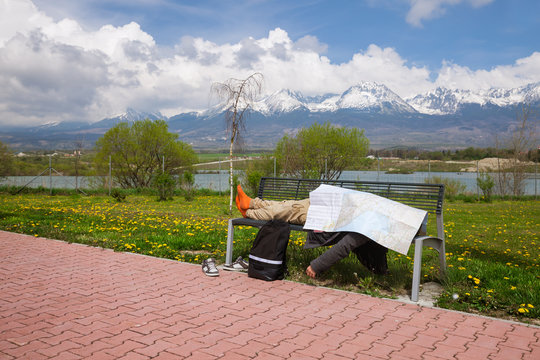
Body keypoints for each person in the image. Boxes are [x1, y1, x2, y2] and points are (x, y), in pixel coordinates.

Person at [235, 185, 388, 279]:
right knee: (290, 205)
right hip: (330, 210)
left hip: (324, 221)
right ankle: (252, 203)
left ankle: (248, 212)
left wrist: (317, 265)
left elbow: (346, 244)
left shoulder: (371, 224)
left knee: (290, 210)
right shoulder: (378, 216)